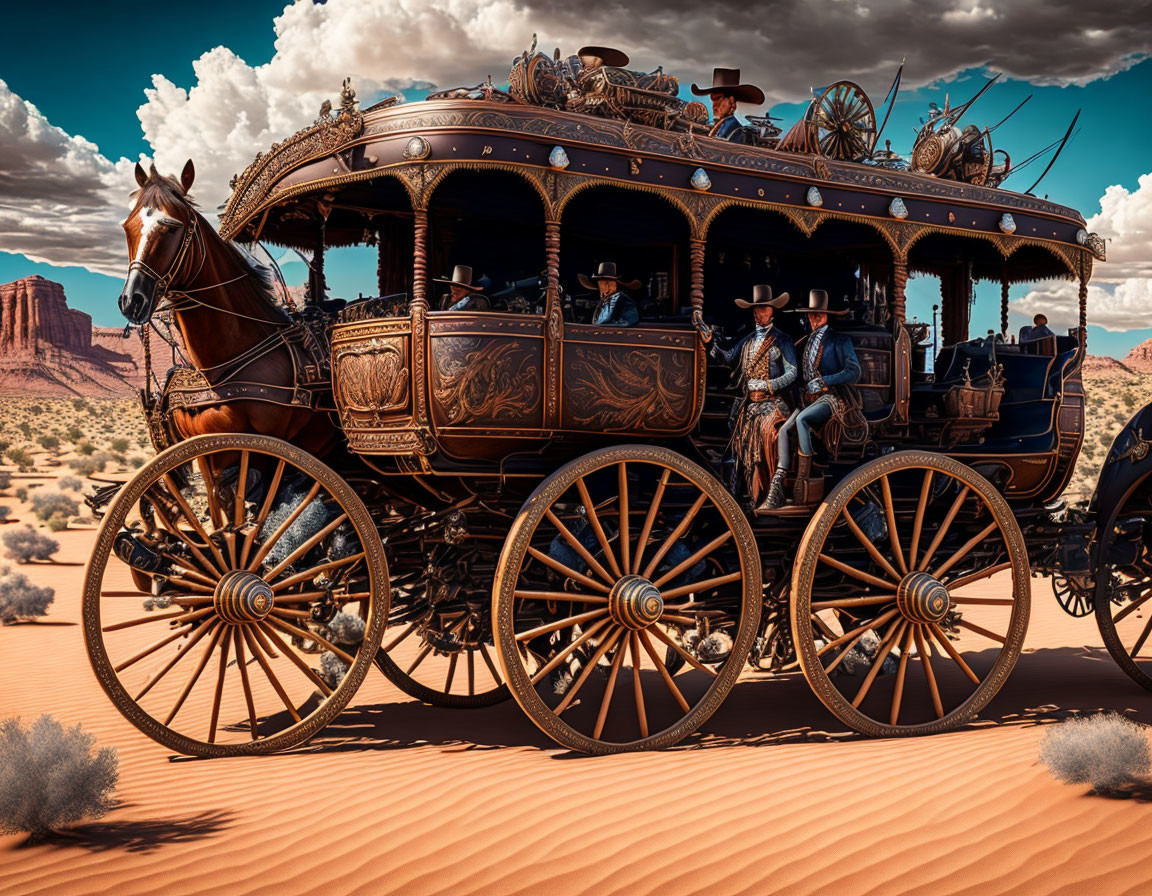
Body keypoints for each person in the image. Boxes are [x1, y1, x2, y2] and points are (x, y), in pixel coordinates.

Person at [773, 289, 864, 509]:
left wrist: (826, 381)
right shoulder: (804, 342)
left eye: (819, 315)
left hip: (832, 398)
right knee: (785, 429)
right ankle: (782, 479)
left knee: (803, 420)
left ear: (827, 316)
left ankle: (806, 477)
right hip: (807, 399)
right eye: (812, 315)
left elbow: (855, 371)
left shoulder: (839, 341)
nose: (814, 319)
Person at [709, 285, 797, 512]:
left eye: (764, 309)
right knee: (741, 446)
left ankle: (772, 492)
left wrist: (767, 384)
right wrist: (710, 343)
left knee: (768, 432)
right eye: (757, 310)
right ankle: (743, 495)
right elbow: (727, 358)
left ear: (772, 311)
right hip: (750, 404)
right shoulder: (747, 340)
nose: (760, 313)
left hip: (774, 403)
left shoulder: (782, 340)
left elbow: (792, 373)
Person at [690, 68, 765, 145]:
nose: (714, 105)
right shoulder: (721, 126)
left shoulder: (737, 132)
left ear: (731, 101)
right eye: (713, 100)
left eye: (718, 99)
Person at [579, 262, 641, 327]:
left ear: (616, 285)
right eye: (603, 285)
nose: (607, 289)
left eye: (610, 285)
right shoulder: (605, 300)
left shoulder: (617, 297)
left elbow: (603, 321)